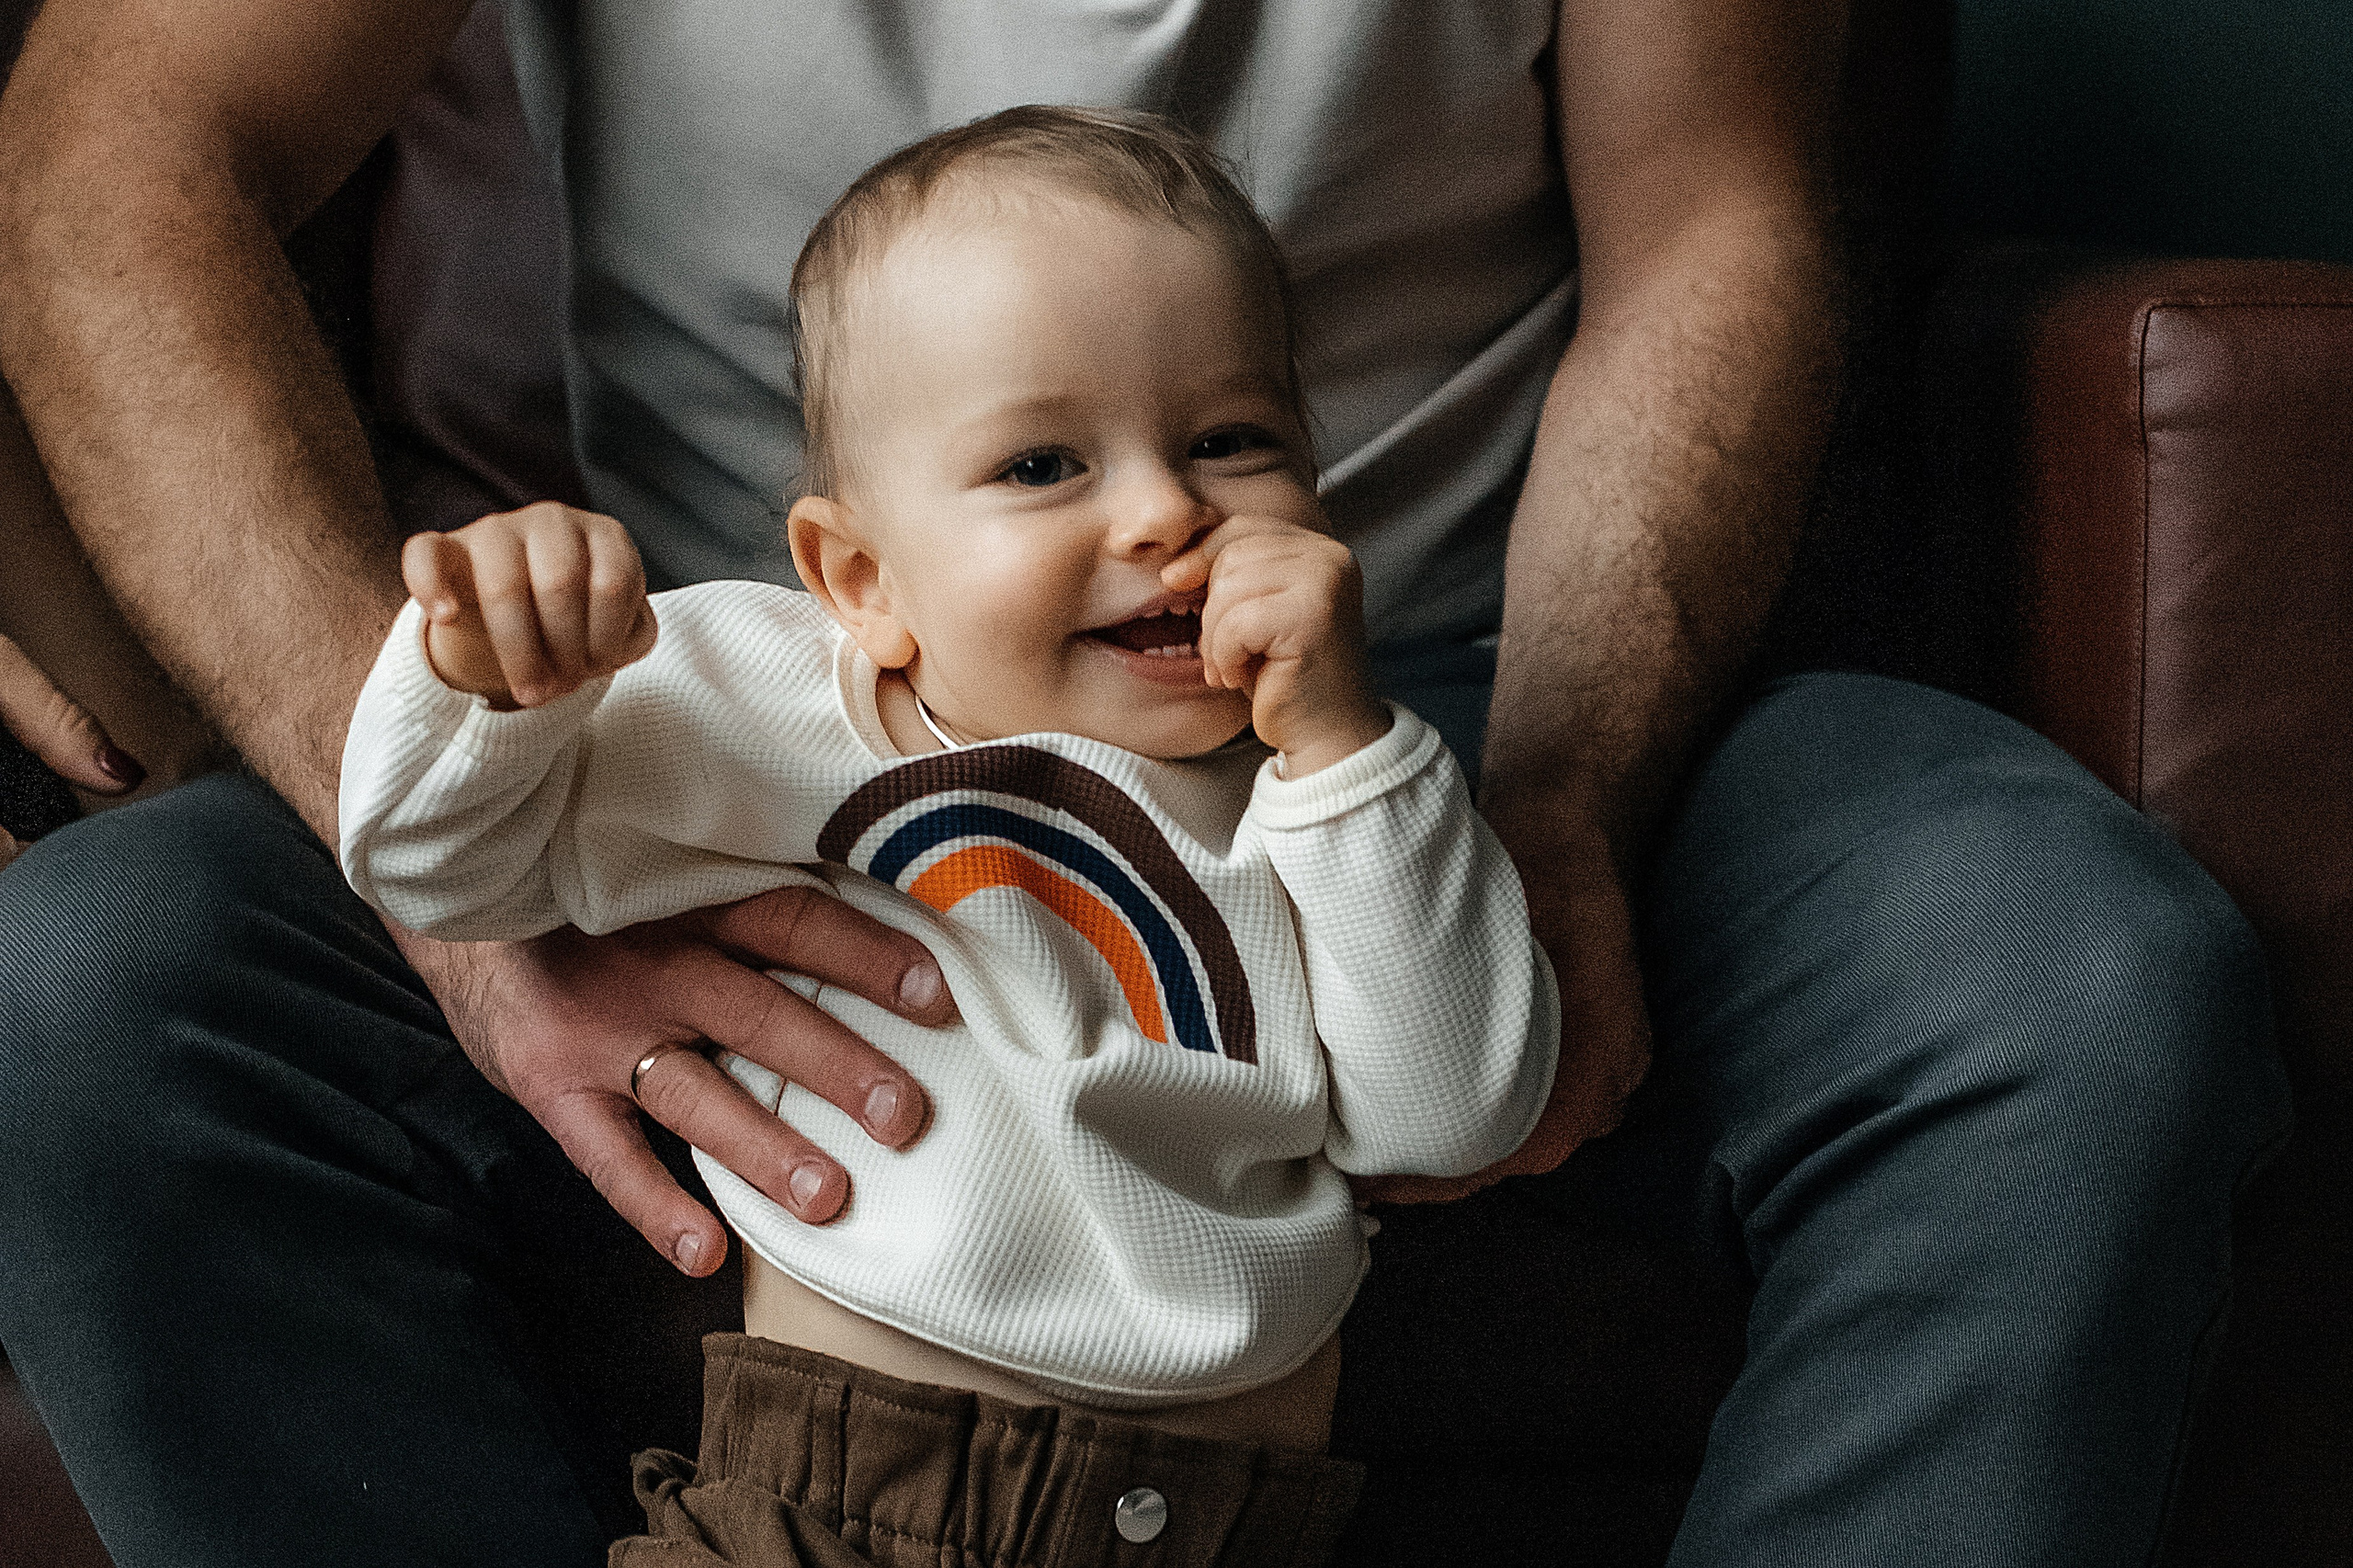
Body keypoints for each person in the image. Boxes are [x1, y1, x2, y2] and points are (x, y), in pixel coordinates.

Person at [0, 2, 2289, 1565]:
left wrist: (1556, 796)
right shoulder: (743, 645)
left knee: (2063, 984)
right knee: (82, 993)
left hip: (1473, 686)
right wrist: (483, 927)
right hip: (700, 742)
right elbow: (113, 150)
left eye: (1209, 450)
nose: (1158, 509)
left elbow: (1721, 212)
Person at [339, 107, 1553, 1562]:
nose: (1169, 509)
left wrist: (1351, 749)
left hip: (1232, 1527)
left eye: (1233, 442)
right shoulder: (778, 699)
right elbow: (437, 867)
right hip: (838, 1501)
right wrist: (486, 678)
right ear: (859, 576)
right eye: (1045, 466)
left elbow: (1454, 1110)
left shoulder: (1340, 798)